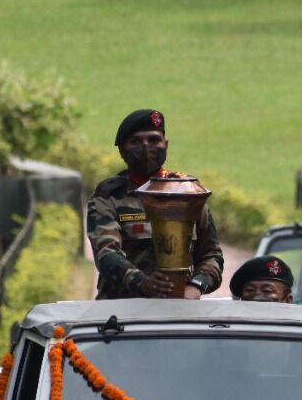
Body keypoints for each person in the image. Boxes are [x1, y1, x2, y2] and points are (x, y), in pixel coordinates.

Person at [86, 109, 224, 299]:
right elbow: (106, 254)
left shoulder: (187, 194)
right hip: (121, 312)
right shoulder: (108, 197)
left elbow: (212, 256)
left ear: (165, 145)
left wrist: (197, 285)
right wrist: (142, 283)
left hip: (182, 308)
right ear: (122, 150)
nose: (146, 147)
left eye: (153, 140)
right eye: (136, 141)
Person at [230, 255, 295, 303]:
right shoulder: (230, 320)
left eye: (267, 291)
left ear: (288, 301)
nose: (256, 297)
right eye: (250, 290)